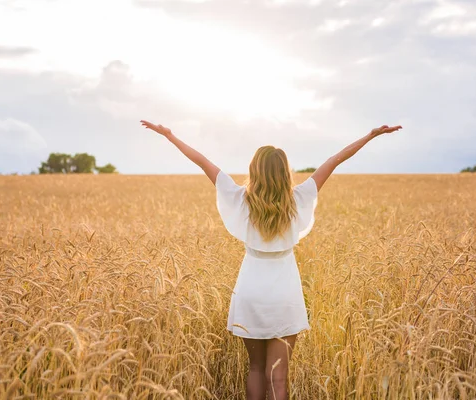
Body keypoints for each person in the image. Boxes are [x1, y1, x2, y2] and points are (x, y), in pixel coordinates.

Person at [140, 120, 402, 400]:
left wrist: (169, 136)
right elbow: (334, 160)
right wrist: (370, 135)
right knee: (278, 375)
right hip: (284, 293)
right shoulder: (298, 198)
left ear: (254, 170)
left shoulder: (241, 199)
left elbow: (203, 161)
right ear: (283, 172)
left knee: (255, 368)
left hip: (250, 290)